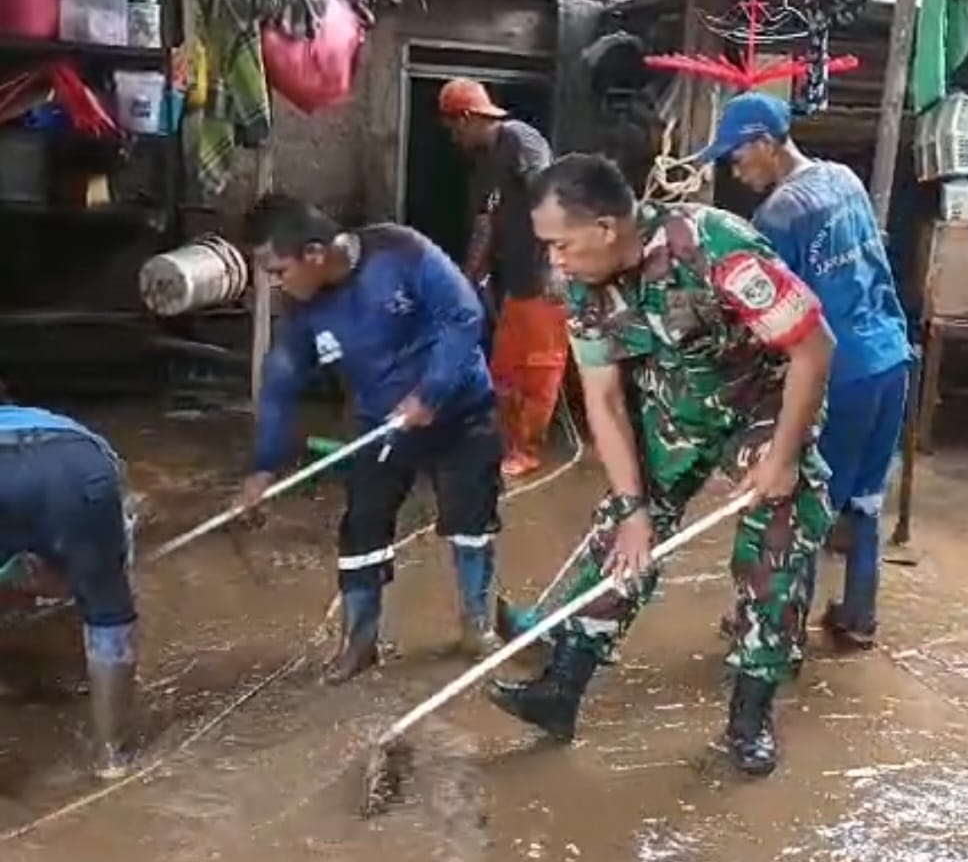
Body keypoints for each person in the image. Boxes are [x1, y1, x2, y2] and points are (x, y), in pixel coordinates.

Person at [488, 155, 834, 776]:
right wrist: (633, 509)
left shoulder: (715, 249)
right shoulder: (582, 287)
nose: (554, 260)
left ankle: (749, 717)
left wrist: (781, 460)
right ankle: (561, 690)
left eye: (561, 244)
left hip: (764, 401)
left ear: (604, 227)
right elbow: (604, 396)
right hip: (673, 405)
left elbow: (814, 349)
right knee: (619, 539)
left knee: (776, 542)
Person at [238, 195, 504, 680]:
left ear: (314, 253)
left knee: (472, 519)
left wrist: (431, 393)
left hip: (461, 411)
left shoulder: (402, 251)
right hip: (378, 424)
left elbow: (463, 316)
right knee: (362, 528)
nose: (275, 283)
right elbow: (281, 381)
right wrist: (265, 465)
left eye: (278, 271)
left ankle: (478, 625)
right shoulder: (300, 309)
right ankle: (359, 645)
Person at [702, 93, 911, 649]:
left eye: (738, 156)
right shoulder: (843, 179)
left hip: (841, 373)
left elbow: (765, 316)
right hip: (890, 357)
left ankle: (782, 631)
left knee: (804, 504)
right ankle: (857, 618)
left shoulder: (777, 215)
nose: (735, 169)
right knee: (863, 497)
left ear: (767, 143)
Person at [0, 382, 138, 777]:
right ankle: (112, 755)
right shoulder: (61, 426)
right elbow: (108, 566)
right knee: (108, 607)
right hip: (80, 469)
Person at [440, 78, 567, 479]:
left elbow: (551, 199)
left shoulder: (519, 141)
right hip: (515, 281)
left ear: (465, 118)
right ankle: (507, 443)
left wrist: (558, 263)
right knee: (505, 371)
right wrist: (465, 280)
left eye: (452, 128)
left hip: (545, 278)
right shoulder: (482, 165)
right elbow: (484, 224)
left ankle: (527, 450)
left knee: (538, 370)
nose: (452, 139)